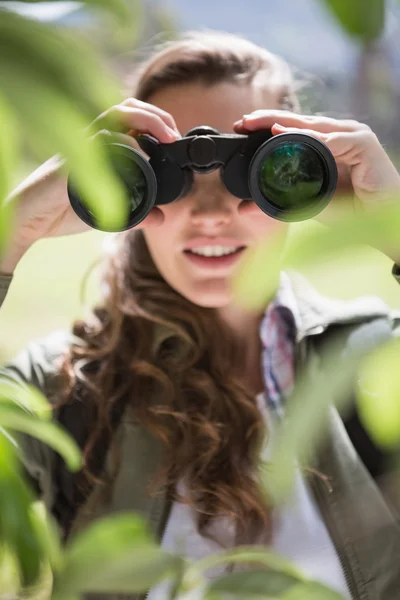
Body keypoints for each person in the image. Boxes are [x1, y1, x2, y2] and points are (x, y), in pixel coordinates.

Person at [1, 30, 400, 600]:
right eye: (170, 177)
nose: (210, 214)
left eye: (259, 173)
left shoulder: (373, 360)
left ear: (315, 179)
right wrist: (14, 228)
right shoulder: (63, 388)